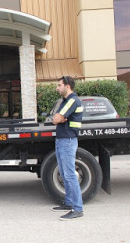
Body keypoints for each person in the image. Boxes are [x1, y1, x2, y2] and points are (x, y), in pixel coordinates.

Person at [52, 76, 84, 221]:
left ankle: (77, 209)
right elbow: (56, 118)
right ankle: (69, 203)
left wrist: (61, 118)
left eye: (59, 85)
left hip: (67, 141)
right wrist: (60, 117)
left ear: (67, 86)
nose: (57, 88)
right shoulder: (66, 101)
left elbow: (57, 119)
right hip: (62, 140)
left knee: (70, 175)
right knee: (65, 174)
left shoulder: (72, 100)